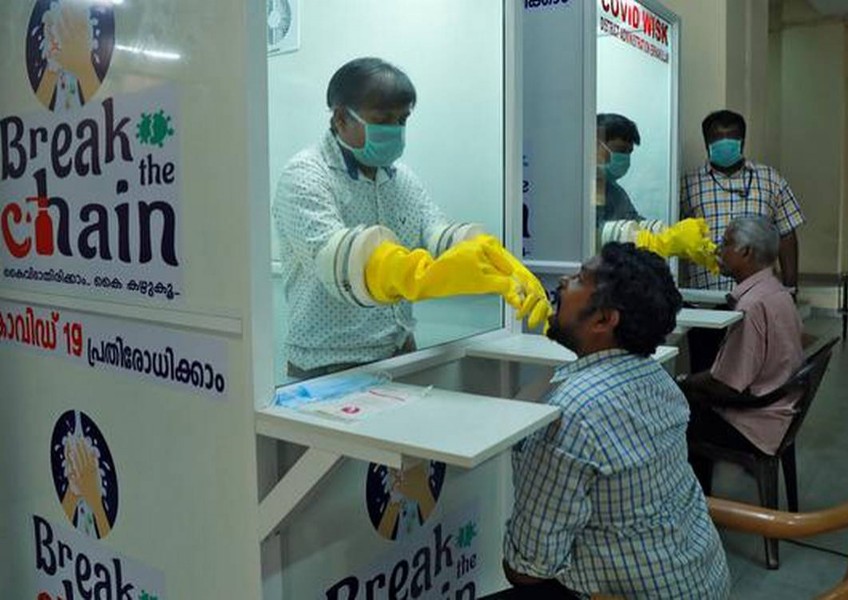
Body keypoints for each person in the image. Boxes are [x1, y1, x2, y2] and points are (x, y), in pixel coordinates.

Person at [272, 57, 549, 380]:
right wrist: (424, 276)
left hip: (398, 350)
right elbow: (337, 260)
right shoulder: (305, 175)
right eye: (383, 119)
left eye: (402, 120)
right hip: (329, 365)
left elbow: (436, 234)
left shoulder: (401, 178)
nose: (395, 130)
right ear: (340, 118)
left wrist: (483, 252)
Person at [500, 243, 730, 599]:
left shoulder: (573, 414)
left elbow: (527, 569)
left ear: (605, 320)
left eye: (578, 279)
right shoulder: (658, 380)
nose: (562, 282)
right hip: (703, 585)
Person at [678, 216, 804, 493]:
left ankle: (697, 509)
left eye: (726, 244)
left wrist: (682, 382)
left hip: (759, 422)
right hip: (781, 408)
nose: (718, 251)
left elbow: (725, 382)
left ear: (746, 252)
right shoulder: (775, 291)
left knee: (675, 415)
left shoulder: (752, 305)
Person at [680, 110, 804, 293]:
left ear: (742, 142)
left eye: (730, 139)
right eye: (717, 140)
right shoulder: (687, 185)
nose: (724, 145)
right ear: (707, 143)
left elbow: (786, 236)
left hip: (761, 297)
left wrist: (791, 289)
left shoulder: (770, 179)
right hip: (704, 297)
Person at [595, 113, 643, 225]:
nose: (625, 158)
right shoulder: (571, 190)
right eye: (621, 150)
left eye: (629, 152)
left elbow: (634, 223)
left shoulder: (615, 193)